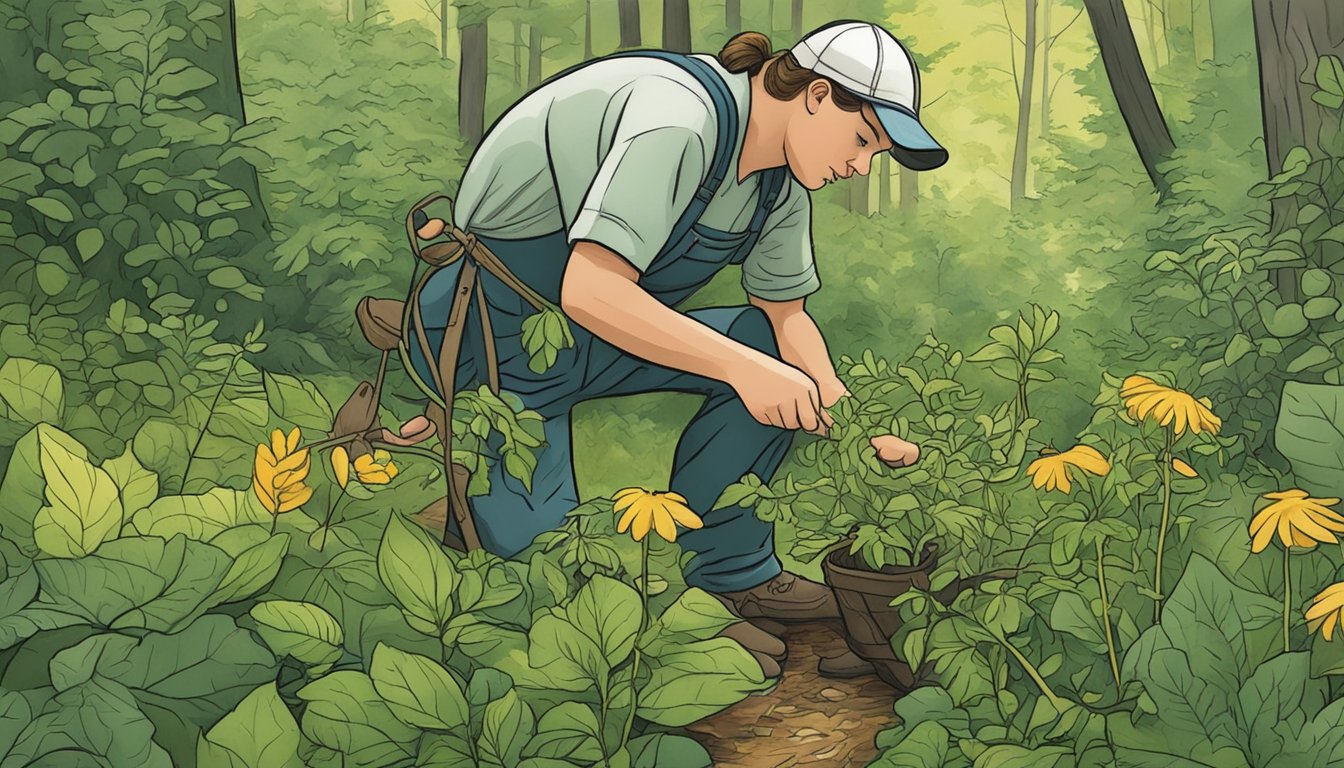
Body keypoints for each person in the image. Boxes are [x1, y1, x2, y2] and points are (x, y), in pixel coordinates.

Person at [405, 19, 946, 677]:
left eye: (876, 154)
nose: (860, 166)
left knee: (761, 350)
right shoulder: (679, 118)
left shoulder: (781, 183)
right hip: (490, 328)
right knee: (546, 580)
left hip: (598, 332)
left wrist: (853, 424)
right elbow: (590, 288)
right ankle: (670, 640)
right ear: (815, 93)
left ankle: (731, 573)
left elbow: (786, 319)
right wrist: (748, 371)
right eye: (862, 139)